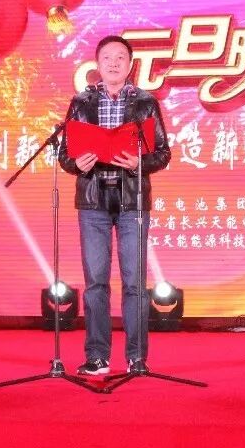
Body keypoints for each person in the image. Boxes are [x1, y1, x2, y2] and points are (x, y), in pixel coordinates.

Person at [57, 35, 171, 376]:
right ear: (97, 63)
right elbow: (65, 154)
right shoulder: (81, 102)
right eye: (107, 57)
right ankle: (97, 356)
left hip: (132, 199)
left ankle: (137, 358)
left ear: (130, 64)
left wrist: (139, 163)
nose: (114, 63)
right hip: (93, 200)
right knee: (95, 282)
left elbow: (163, 152)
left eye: (121, 57)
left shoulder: (146, 102)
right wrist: (78, 164)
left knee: (135, 282)